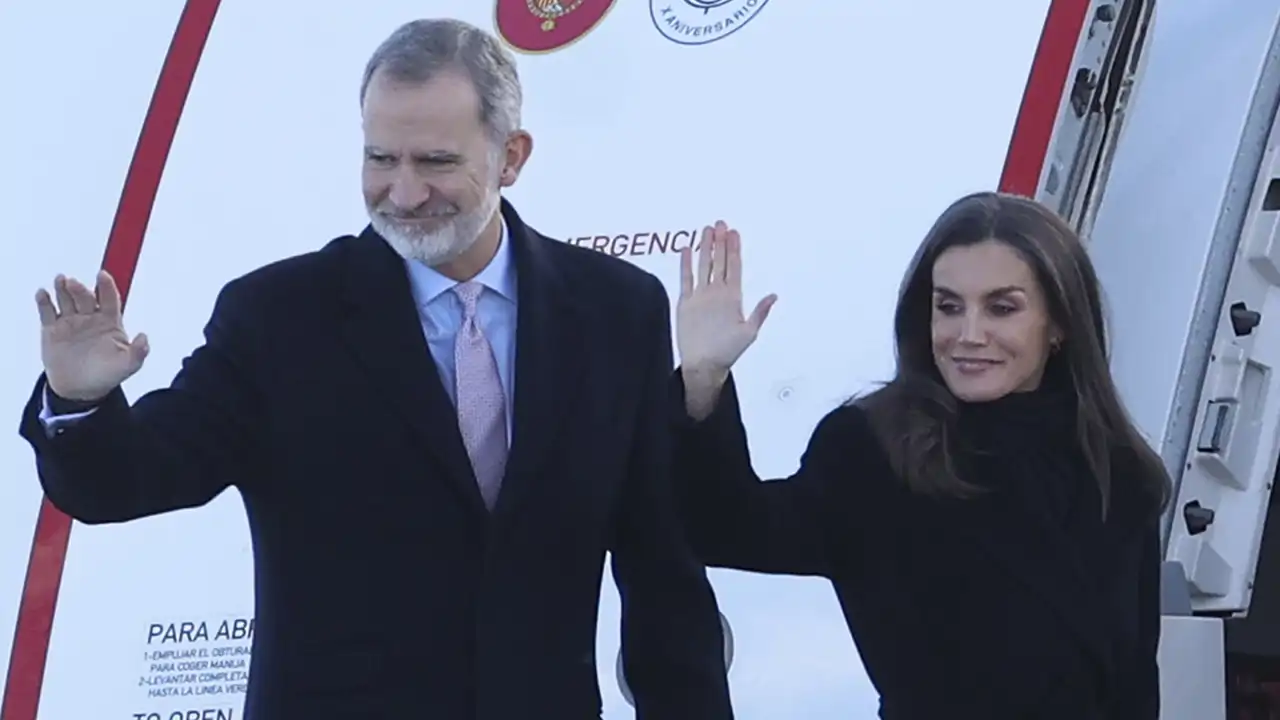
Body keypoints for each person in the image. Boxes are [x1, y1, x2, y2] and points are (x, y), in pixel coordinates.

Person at [19, 18, 733, 720]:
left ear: (511, 156)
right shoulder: (278, 317)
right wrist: (79, 402)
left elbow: (662, 570)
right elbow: (133, 478)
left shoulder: (616, 310)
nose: (404, 193)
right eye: (381, 159)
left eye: (436, 162)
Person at [671, 193, 1171, 719]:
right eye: (949, 306)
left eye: (1002, 308)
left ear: (1059, 324)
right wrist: (704, 376)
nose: (969, 335)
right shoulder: (874, 448)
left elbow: (1135, 683)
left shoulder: (1119, 471)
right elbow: (724, 527)